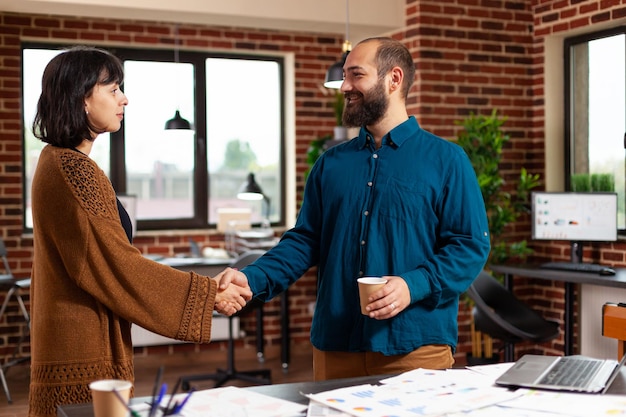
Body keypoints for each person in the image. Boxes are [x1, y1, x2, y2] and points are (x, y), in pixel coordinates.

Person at [217, 37, 490, 380]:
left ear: (394, 79)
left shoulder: (447, 161)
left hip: (413, 347)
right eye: (344, 76)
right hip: (336, 346)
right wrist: (250, 278)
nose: (344, 86)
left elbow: (469, 246)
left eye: (355, 75)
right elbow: (304, 241)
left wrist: (413, 285)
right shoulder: (330, 164)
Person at [28, 46, 252, 417]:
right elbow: (116, 264)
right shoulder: (73, 169)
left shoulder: (55, 161)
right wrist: (209, 294)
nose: (124, 99)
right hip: (83, 343)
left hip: (72, 334)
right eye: (113, 89)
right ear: (81, 98)